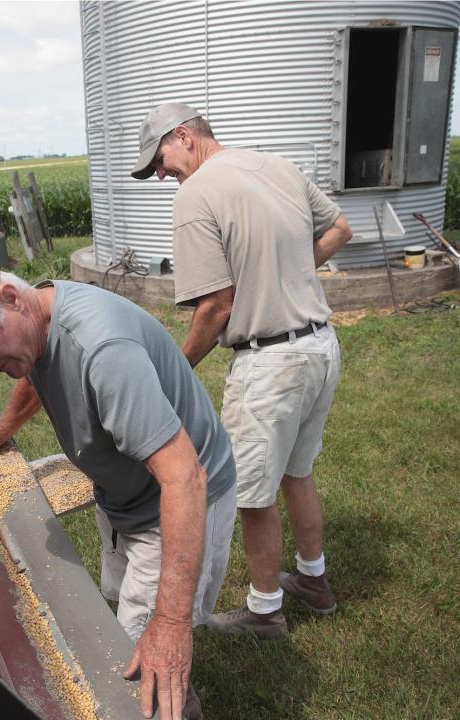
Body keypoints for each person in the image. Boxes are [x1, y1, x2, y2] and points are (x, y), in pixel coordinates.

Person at [0, 257, 238, 720]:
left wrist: (170, 623)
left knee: (136, 669)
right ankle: (174, 696)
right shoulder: (38, 319)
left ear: (10, 298)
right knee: (128, 638)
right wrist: (1, 430)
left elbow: (185, 479)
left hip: (174, 504)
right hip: (128, 495)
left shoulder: (104, 349)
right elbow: (30, 367)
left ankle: (171, 701)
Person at [130, 102, 352, 637]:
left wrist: (174, 369)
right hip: (321, 348)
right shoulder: (277, 165)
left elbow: (216, 307)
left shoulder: (197, 193)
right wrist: (287, 273)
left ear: (183, 136)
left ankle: (265, 609)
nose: (160, 175)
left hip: (271, 365)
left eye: (158, 160)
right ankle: (314, 580)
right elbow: (340, 229)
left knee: (252, 495)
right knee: (297, 473)